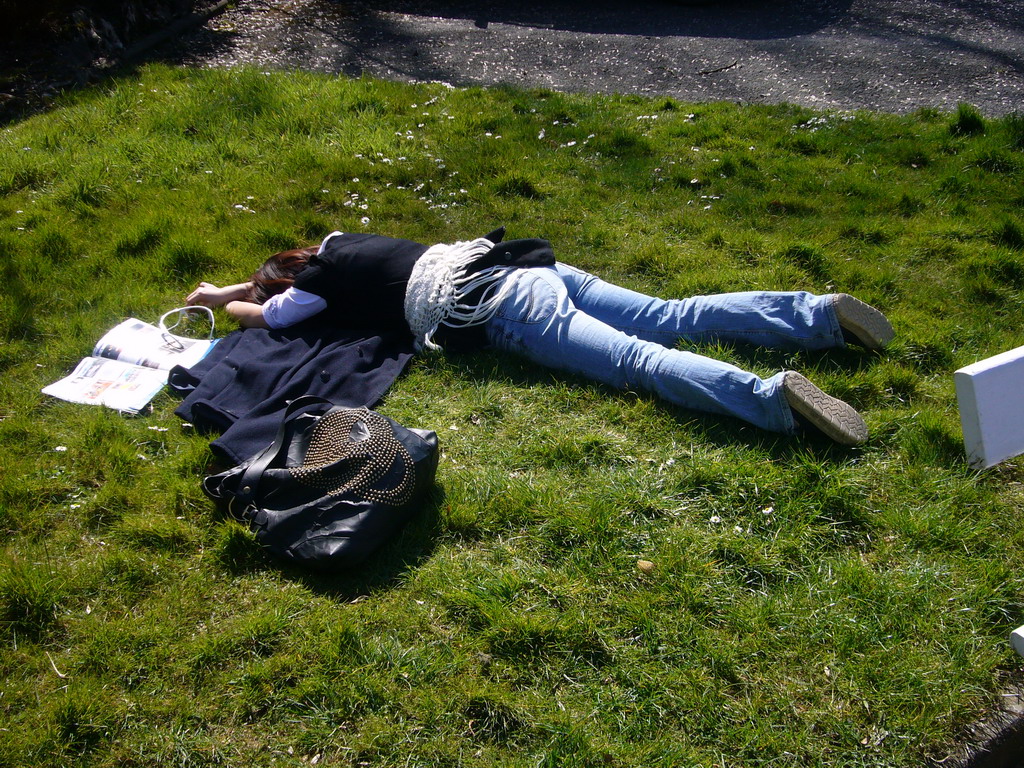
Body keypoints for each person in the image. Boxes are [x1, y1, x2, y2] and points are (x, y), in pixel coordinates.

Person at [186, 227, 894, 446]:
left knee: (638, 361)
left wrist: (228, 299)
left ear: (284, 280)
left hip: (503, 307)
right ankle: (818, 315)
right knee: (669, 313)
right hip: (524, 267)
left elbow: (269, 319)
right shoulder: (342, 242)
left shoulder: (307, 294)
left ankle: (772, 401)